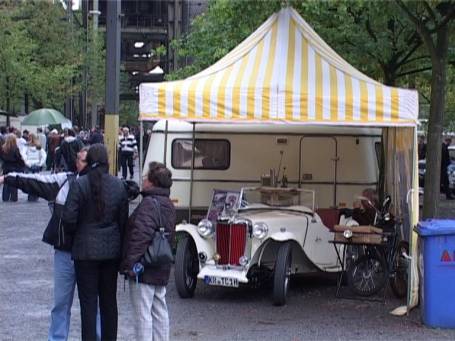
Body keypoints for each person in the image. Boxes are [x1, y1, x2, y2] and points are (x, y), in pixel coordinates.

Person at [0, 147, 92, 340]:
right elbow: (35, 181)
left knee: (94, 304)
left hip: (91, 255)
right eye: (80, 159)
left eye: (85, 160)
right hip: (65, 251)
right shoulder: (64, 181)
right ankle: (57, 338)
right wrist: (8, 178)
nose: (80, 163)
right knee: (61, 303)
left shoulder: (105, 184)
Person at [63, 144, 129, 341]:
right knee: (109, 303)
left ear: (89, 161)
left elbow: (68, 218)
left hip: (85, 252)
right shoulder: (118, 185)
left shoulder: (80, 184)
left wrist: (76, 235)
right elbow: (123, 221)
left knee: (88, 305)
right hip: (111, 252)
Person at [120, 162, 176, 341]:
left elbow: (139, 237)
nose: (143, 180)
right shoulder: (167, 203)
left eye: (146, 177)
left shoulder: (148, 204)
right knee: (160, 309)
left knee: (143, 314)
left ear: (152, 182)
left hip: (144, 266)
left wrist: (130, 265)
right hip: (161, 263)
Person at [21, 133, 47, 201]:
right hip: (37, 165)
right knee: (36, 181)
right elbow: (44, 155)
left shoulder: (26, 146)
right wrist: (40, 163)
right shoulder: (39, 147)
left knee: (29, 181)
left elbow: (23, 155)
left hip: (29, 165)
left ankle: (30, 195)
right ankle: (35, 195)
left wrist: (27, 162)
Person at [0, 134, 25, 201]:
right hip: (14, 167)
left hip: (6, 167)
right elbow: (19, 158)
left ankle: (5, 197)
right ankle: (13, 198)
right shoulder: (15, 149)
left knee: (6, 183)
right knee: (14, 183)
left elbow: (2, 158)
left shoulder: (3, 148)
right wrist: (23, 164)